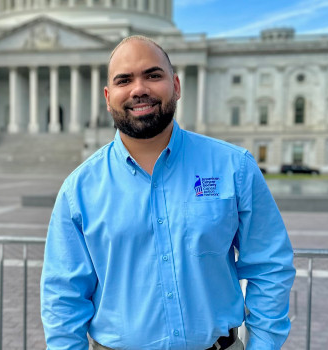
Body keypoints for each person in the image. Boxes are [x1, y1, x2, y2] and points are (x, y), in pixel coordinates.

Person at [40, 35, 295, 350]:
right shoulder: (78, 189)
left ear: (176, 85)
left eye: (153, 75)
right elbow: (63, 295)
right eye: (124, 80)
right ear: (108, 97)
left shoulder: (234, 167)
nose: (139, 89)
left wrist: (264, 345)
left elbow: (269, 264)